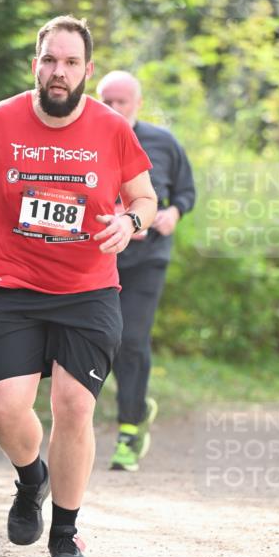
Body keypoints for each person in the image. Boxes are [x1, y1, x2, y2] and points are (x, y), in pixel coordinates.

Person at [0, 17, 157, 557]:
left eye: (70, 63)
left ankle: (65, 533)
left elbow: (144, 196)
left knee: (73, 406)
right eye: (50, 61)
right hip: (14, 284)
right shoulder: (0, 119)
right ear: (36, 64)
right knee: (5, 410)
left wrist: (131, 222)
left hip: (87, 291)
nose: (58, 72)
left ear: (87, 70)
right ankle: (30, 479)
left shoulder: (112, 128)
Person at [96, 70, 196, 472]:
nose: (114, 108)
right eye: (107, 100)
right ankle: (111, 417)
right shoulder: (86, 138)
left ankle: (129, 431)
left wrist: (173, 212)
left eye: (122, 101)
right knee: (104, 339)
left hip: (148, 259)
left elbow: (186, 191)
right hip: (100, 257)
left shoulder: (164, 143)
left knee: (132, 339)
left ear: (137, 103)